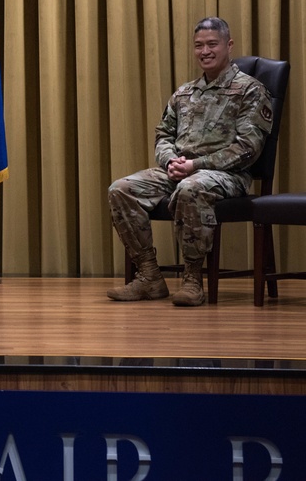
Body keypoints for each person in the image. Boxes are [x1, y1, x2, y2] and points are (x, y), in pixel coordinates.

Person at [106, 16, 273, 307]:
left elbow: (249, 149)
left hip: (226, 175)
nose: (205, 51)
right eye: (198, 46)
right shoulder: (184, 93)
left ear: (228, 45)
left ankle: (193, 279)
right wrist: (170, 160)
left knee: (191, 188)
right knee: (121, 189)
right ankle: (149, 277)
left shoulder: (250, 90)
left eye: (212, 44)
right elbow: (163, 134)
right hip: (179, 170)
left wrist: (195, 166)